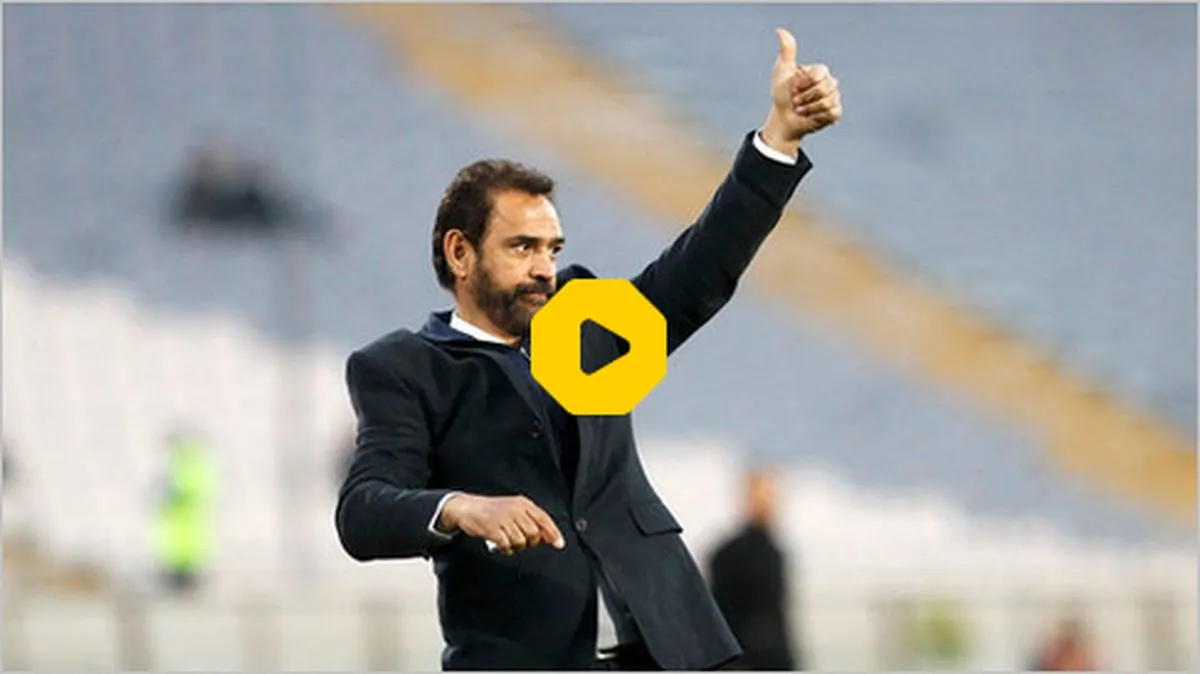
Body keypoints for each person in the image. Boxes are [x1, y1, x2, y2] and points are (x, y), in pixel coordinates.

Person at [335, 28, 842, 671]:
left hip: (674, 652)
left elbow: (700, 268)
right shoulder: (405, 368)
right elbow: (362, 511)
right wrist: (460, 507)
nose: (544, 268)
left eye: (553, 249)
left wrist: (778, 141)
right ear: (460, 253)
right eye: (522, 247)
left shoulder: (584, 320)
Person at [707, 469, 802, 670]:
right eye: (763, 497)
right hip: (749, 661)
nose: (769, 504)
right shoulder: (732, 554)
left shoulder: (771, 551)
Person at [155, 429, 216, 596]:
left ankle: (186, 584)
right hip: (180, 533)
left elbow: (191, 489)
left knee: (186, 560)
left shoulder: (191, 463)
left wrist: (174, 494)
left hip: (186, 531)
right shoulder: (181, 463)